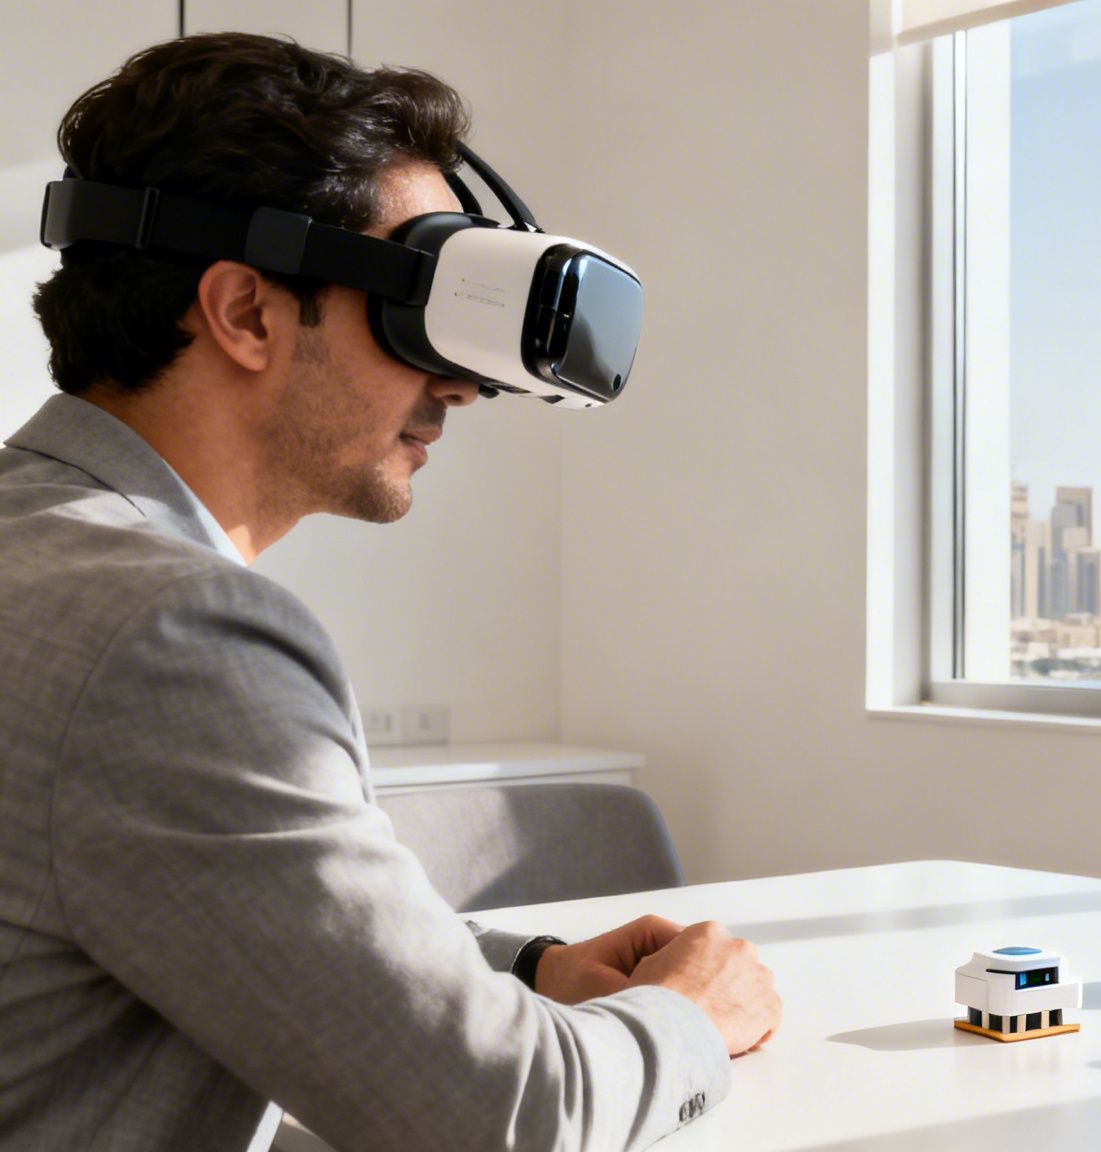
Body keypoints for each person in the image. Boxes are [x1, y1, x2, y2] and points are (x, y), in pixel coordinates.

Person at [0, 33, 779, 1151]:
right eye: (418, 306)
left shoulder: (39, 558)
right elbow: (494, 1119)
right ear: (247, 314)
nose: (461, 383)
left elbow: (185, 920)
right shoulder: (169, 638)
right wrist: (690, 1019)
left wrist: (525, 971)